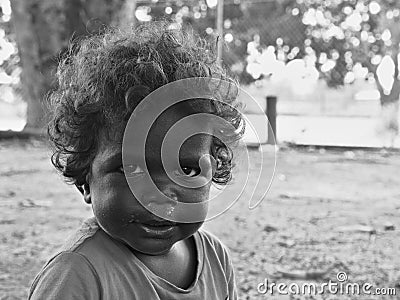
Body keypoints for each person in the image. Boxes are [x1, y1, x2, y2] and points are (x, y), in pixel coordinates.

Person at [29, 21, 244, 300]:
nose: (161, 196)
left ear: (213, 168)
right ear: (85, 178)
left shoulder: (216, 260)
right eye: (131, 169)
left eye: (187, 169)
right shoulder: (77, 274)